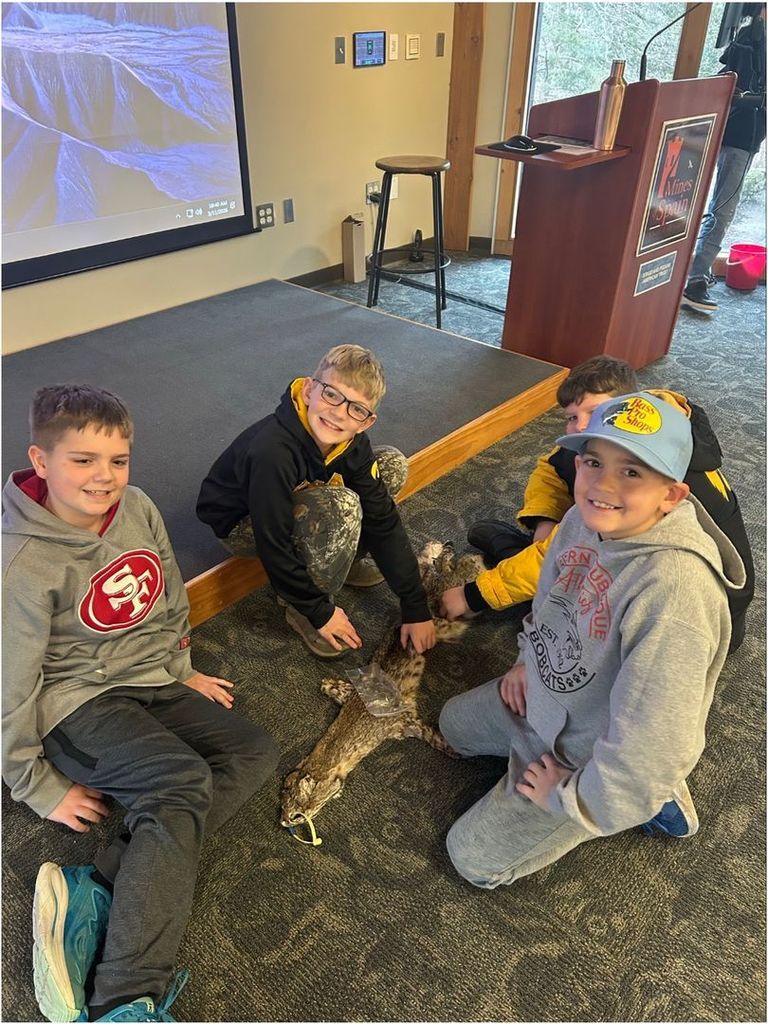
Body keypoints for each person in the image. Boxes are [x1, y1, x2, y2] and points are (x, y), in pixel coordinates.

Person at [2, 385, 279, 1023]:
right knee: (181, 783)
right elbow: (8, 683)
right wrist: (35, 785)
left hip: (146, 677)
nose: (105, 477)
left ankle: (103, 885)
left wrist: (180, 670)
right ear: (41, 461)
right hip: (72, 703)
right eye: (83, 460)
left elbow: (168, 595)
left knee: (253, 749)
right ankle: (125, 999)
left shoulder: (137, 506)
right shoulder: (21, 563)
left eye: (118, 460)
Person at [439, 391, 745, 889]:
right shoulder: (583, 518)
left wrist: (570, 797)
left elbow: (653, 740)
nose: (602, 484)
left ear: (671, 496)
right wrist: (525, 661)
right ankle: (631, 784)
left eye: (632, 471)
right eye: (593, 461)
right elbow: (549, 600)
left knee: (470, 859)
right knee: (452, 726)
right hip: (549, 697)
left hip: (589, 751)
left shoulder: (675, 595)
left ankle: (654, 796)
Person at [441, 355, 754, 653]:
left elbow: (573, 551)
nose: (581, 426)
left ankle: (520, 566)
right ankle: (525, 555)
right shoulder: (645, 423)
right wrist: (545, 521)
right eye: (572, 417)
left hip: (688, 626)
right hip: (651, 586)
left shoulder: (656, 479)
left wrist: (473, 596)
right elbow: (552, 465)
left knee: (554, 588)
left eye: (594, 413)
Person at [197, 344, 435, 658]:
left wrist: (415, 605)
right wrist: (318, 611)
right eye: (331, 394)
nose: (338, 413)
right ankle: (300, 607)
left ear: (366, 422)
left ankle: (343, 563)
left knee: (390, 466)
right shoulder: (273, 452)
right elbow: (273, 540)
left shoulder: (353, 444)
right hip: (243, 523)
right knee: (343, 506)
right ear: (310, 390)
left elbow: (383, 519)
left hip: (294, 500)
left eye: (356, 409)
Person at [681, 3, 766, 313]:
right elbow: (731, 84)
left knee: (720, 209)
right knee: (720, 210)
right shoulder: (750, 39)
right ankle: (694, 280)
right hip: (733, 135)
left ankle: (696, 275)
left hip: (744, 137)